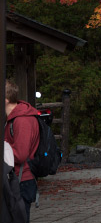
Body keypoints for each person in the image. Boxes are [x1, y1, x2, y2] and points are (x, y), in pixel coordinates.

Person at [5, 79, 40, 222]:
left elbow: (20, 154)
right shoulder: (13, 118)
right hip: (18, 179)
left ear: (6, 100)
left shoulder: (22, 120)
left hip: (22, 181)